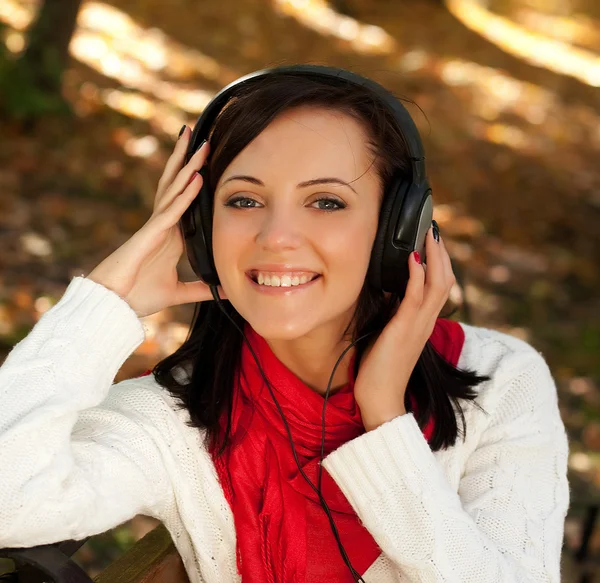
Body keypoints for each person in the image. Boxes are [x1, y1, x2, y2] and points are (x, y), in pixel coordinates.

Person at [0, 66, 570, 583]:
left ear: (397, 231)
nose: (275, 237)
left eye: (325, 202)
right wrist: (105, 302)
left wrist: (383, 414)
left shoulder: (503, 382)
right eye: (244, 200)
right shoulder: (173, 417)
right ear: (199, 228)